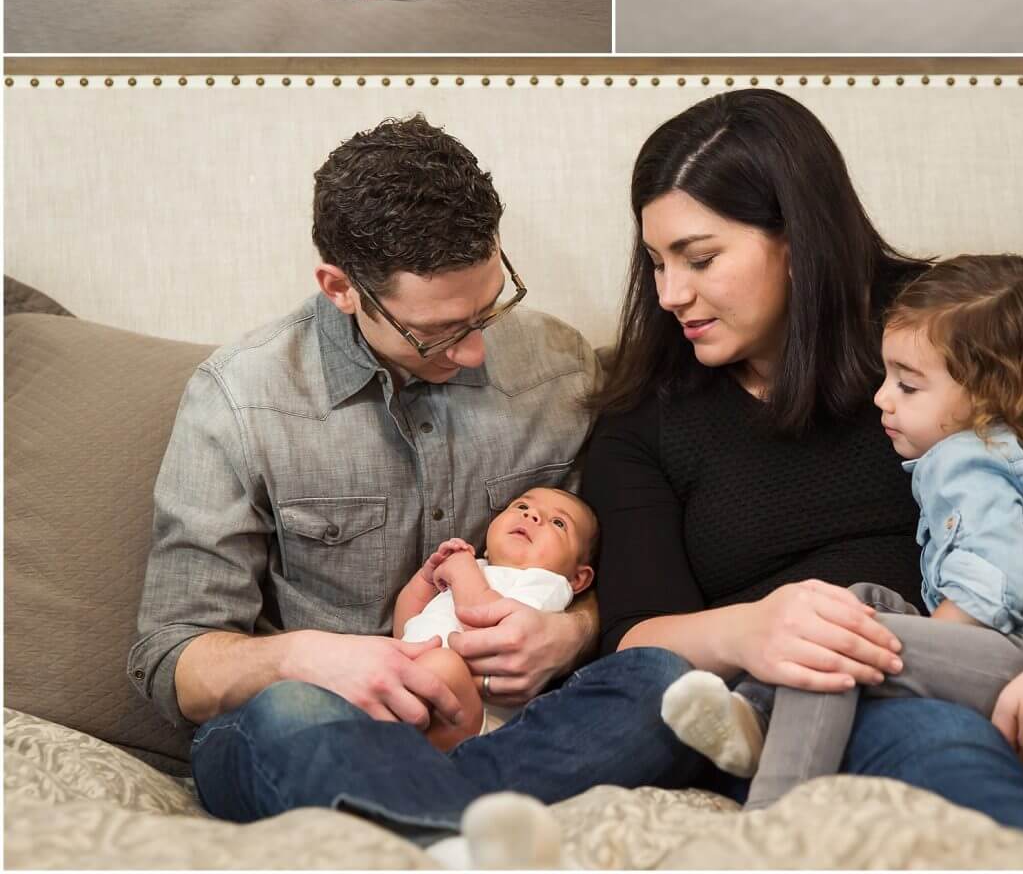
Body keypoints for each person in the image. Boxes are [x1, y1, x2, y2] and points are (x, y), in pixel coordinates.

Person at [577, 89, 1023, 865]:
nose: (669, 294)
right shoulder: (645, 415)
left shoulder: (930, 325)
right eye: (655, 262)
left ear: (798, 238)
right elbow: (634, 636)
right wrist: (751, 630)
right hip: (858, 694)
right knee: (931, 740)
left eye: (700, 258)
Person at [135, 113, 718, 855]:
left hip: (505, 723)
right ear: (341, 287)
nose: (476, 352)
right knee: (287, 721)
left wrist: (568, 630)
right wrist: (301, 657)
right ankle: (463, 825)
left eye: (489, 309)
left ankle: (437, 831)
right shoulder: (239, 400)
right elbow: (168, 653)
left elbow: (607, 568)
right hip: (327, 723)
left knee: (660, 681)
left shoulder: (561, 370)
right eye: (440, 333)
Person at [661, 252, 1023, 803]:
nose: (881, 398)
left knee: (836, 643)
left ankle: (775, 807)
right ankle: (757, 715)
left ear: (990, 399)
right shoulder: (1000, 452)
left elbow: (995, 577)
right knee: (857, 604)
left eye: (907, 387)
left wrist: (934, 639)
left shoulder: (965, 460)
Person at [395, 490, 599, 750]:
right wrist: (425, 580)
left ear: (577, 578)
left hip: (473, 720)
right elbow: (406, 628)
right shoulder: (477, 567)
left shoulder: (548, 585)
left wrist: (461, 572)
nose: (531, 514)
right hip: (408, 683)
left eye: (559, 523)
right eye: (522, 505)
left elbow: (488, 631)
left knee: (442, 665)